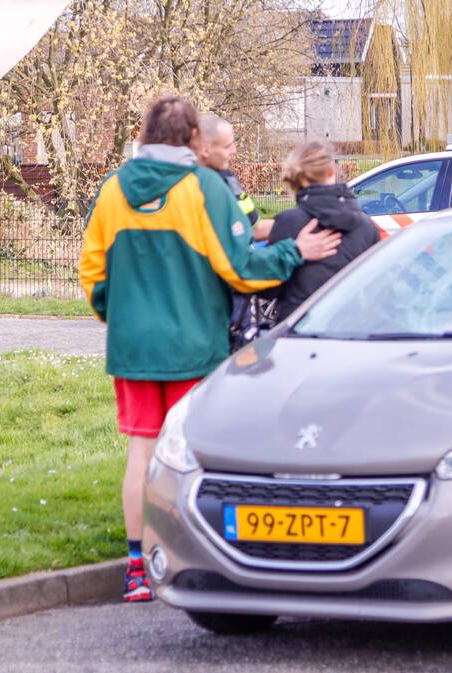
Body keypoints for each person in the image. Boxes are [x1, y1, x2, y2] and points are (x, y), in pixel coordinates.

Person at [78, 97, 340, 603]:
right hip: (194, 346)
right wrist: (295, 252)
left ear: (144, 133)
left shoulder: (111, 190)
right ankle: (188, 559)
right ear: (194, 138)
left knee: (142, 453)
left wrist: (122, 316)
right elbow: (240, 268)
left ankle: (137, 570)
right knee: (193, 455)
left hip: (132, 350)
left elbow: (92, 274)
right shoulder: (202, 189)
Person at [267, 140, 379, 322]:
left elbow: (268, 288)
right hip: (354, 331)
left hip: (299, 331)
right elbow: (378, 288)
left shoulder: (288, 222)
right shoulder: (367, 226)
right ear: (331, 171)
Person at [193, 112, 273, 241]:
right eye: (227, 146)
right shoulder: (185, 184)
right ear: (205, 150)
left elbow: (254, 228)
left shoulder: (228, 178)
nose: (234, 151)